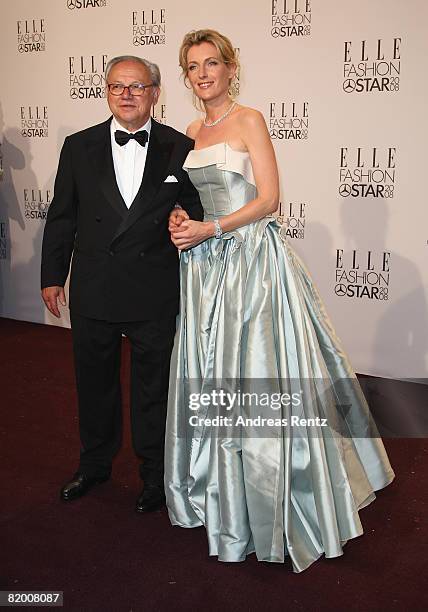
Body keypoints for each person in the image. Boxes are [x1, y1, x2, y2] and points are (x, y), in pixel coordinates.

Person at [164, 30, 395, 572]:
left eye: (212, 63)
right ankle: (225, 495)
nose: (203, 74)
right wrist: (180, 221)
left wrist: (212, 228)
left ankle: (289, 492)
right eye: (193, 66)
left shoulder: (250, 120)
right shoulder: (190, 131)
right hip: (205, 270)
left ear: (230, 68)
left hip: (251, 264)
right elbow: (186, 200)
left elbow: (269, 199)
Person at [41, 55, 203, 511]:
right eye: (116, 86)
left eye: (136, 86)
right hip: (96, 283)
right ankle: (94, 465)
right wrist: (53, 276)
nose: (126, 95)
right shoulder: (78, 145)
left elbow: (193, 203)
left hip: (152, 285)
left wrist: (183, 214)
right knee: (94, 384)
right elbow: (63, 215)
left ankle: (154, 475)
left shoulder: (180, 146)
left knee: (153, 388)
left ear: (155, 92)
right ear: (107, 92)